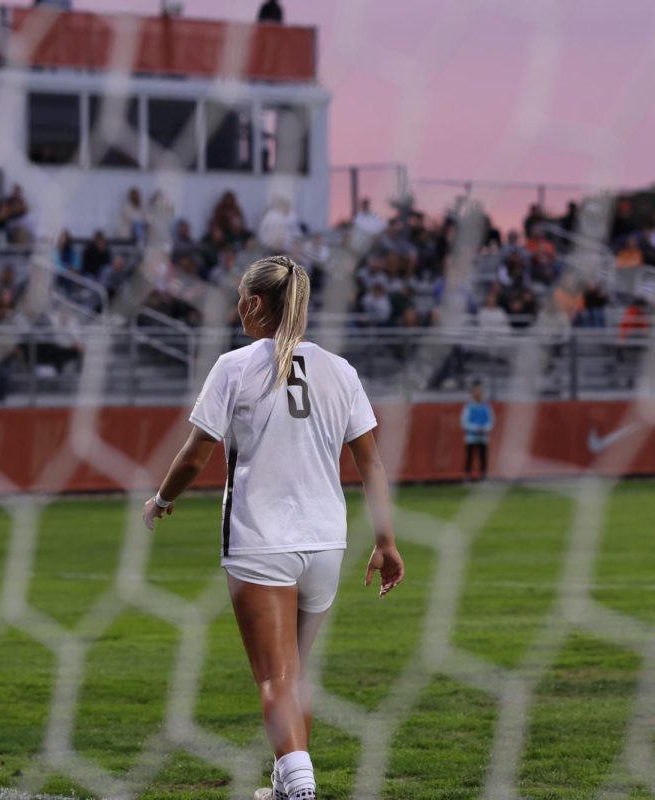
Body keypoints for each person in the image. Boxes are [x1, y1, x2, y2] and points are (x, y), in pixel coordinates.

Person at [142, 255, 404, 800]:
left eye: (242, 297)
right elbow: (371, 464)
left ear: (255, 303)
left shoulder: (234, 366)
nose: (237, 306)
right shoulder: (341, 370)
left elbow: (194, 456)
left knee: (274, 678)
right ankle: (286, 790)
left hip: (260, 543)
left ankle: (302, 791)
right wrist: (385, 540)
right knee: (296, 675)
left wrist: (162, 499)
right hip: (327, 543)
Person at [460, 381, 494, 482]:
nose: (478, 394)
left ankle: (483, 476)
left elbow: (491, 421)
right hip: (471, 437)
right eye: (475, 392)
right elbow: (464, 422)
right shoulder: (468, 407)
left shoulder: (486, 406)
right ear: (472, 393)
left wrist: (485, 428)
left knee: (483, 457)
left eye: (479, 392)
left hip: (483, 437)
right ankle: (467, 476)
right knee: (470, 457)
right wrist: (475, 428)